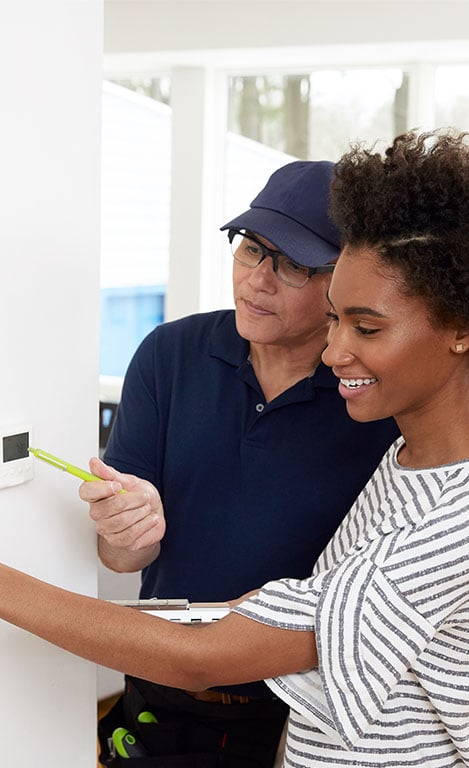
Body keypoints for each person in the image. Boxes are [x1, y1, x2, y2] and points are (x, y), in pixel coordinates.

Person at [0, 129, 469, 768]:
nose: (338, 351)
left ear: (463, 325)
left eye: (365, 327)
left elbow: (209, 654)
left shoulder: (464, 510)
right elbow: (282, 612)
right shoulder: (412, 466)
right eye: (339, 321)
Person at [82, 158, 399, 764]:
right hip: (159, 686)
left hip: (300, 714)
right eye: (251, 249)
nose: (259, 279)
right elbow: (123, 557)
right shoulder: (169, 355)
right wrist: (130, 531)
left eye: (294, 265)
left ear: (344, 281)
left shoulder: (371, 398)